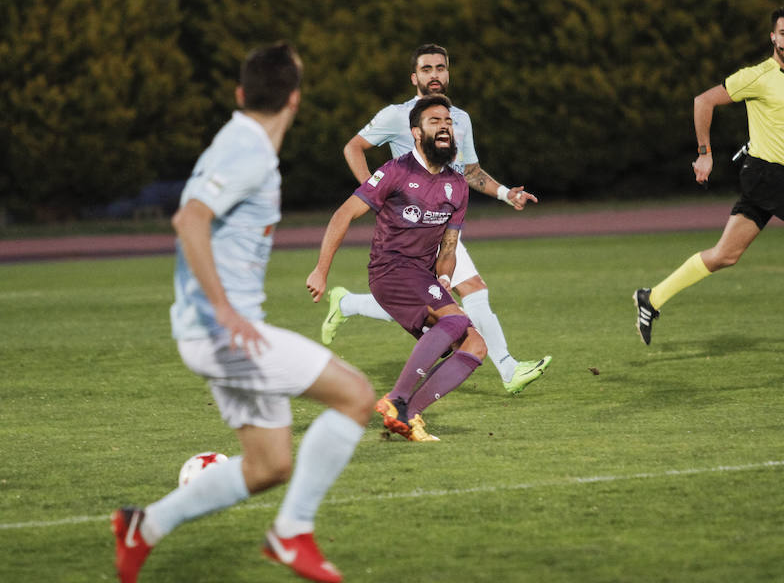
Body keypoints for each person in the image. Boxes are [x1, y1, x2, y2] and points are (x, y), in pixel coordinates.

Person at [110, 42, 374, 583]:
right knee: (357, 397)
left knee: (269, 465)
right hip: (225, 335)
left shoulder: (243, 144)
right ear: (295, 100)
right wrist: (225, 311)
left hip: (215, 334)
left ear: (240, 93)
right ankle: (291, 532)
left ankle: (145, 527)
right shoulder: (247, 149)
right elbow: (190, 220)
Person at [323, 43, 551, 395]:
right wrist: (375, 191)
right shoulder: (396, 116)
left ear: (448, 73)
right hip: (410, 229)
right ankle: (507, 369)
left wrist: (507, 193)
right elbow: (352, 147)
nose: (434, 75)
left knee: (430, 301)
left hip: (443, 223)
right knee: (469, 291)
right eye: (426, 69)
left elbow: (470, 171)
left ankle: (347, 303)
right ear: (415, 77)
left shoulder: (459, 118)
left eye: (440, 68)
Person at [634, 7, 784, 347]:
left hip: (772, 176)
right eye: (783, 33)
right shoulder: (757, 75)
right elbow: (703, 101)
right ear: (773, 37)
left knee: (724, 256)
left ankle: (651, 299)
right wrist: (704, 154)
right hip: (762, 173)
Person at [307, 94, 487, 442]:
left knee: (474, 346)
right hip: (390, 271)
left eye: (448, 122)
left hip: (422, 276)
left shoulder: (458, 185)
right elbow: (343, 214)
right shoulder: (395, 171)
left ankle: (406, 415)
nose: (445, 127)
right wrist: (321, 270)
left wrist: (446, 277)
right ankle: (397, 399)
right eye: (435, 121)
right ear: (416, 133)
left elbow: (448, 246)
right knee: (454, 320)